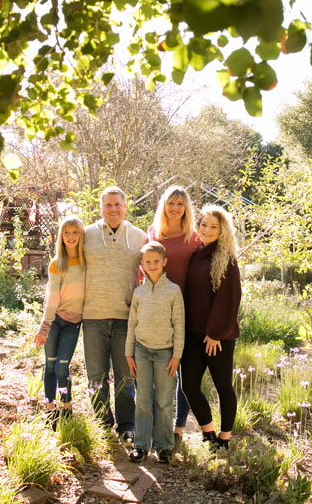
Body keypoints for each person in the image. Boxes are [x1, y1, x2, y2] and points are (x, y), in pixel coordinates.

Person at [82, 186, 148, 442]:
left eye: (117, 205)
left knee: (125, 376)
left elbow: (152, 273)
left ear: (125, 206)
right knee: (96, 376)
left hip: (125, 319)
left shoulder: (139, 237)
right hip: (93, 317)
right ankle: (101, 423)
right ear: (101, 208)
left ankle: (126, 425)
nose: (113, 209)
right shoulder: (86, 235)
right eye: (107, 205)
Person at [180, 204, 242, 450]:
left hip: (218, 336)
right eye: (203, 224)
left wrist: (215, 333)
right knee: (189, 386)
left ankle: (224, 439)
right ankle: (208, 433)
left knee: (223, 386)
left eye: (213, 226)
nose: (206, 229)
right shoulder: (197, 253)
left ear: (222, 230)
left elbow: (229, 298)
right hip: (193, 335)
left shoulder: (226, 259)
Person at [147, 185, 201, 443]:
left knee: (183, 372)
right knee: (158, 369)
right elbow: (143, 270)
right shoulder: (153, 234)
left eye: (180, 204)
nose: (175, 208)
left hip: (188, 310)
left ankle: (178, 427)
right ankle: (157, 423)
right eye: (171, 203)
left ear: (186, 208)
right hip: (158, 310)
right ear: (164, 205)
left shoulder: (194, 237)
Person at [125, 241, 184, 464]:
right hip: (141, 351)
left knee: (163, 401)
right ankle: (141, 446)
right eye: (147, 262)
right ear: (141, 264)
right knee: (142, 399)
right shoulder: (139, 292)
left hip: (165, 353)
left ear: (164, 262)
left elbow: (179, 325)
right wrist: (128, 354)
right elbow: (131, 324)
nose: (152, 265)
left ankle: (164, 446)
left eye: (156, 261)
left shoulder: (173, 291)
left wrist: (176, 355)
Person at [33, 216, 86, 428]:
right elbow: (52, 298)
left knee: (63, 367)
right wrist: (44, 328)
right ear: (61, 237)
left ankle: (66, 408)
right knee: (51, 365)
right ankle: (49, 409)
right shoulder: (57, 264)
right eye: (67, 233)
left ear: (81, 235)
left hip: (73, 324)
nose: (71, 237)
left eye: (75, 233)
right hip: (54, 322)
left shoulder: (85, 262)